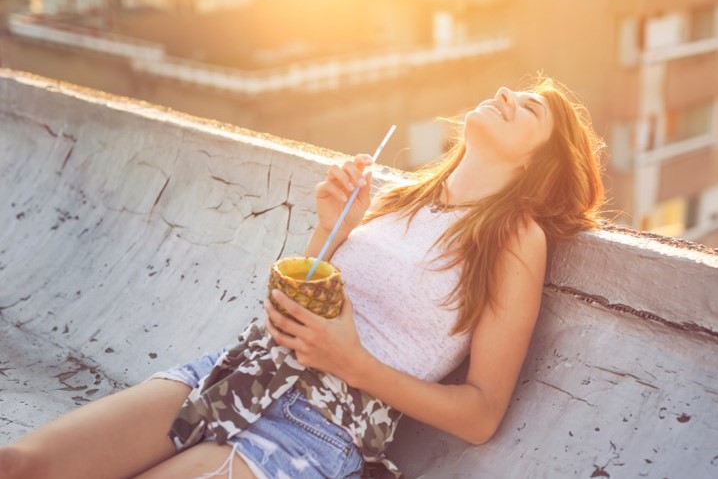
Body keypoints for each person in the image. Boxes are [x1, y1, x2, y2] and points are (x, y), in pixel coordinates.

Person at [0, 75, 606, 478]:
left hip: (314, 427)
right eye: (515, 90)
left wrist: (353, 363)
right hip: (239, 370)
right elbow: (300, 298)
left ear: (535, 160)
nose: (506, 93)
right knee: (22, 464)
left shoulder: (513, 238)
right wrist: (329, 228)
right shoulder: (402, 198)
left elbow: (480, 415)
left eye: (529, 109)